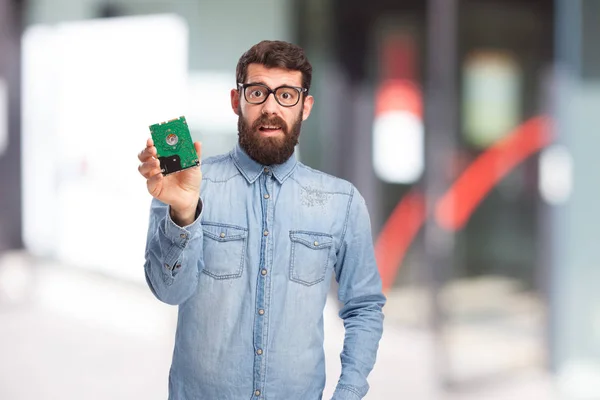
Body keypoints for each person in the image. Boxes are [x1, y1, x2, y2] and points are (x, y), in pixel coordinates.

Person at [138, 40, 385, 400]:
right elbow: (166, 291)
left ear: (306, 106)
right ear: (237, 101)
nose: (270, 107)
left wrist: (348, 391)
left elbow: (364, 307)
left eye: (286, 95)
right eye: (258, 92)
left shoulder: (341, 201)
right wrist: (183, 213)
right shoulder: (185, 181)